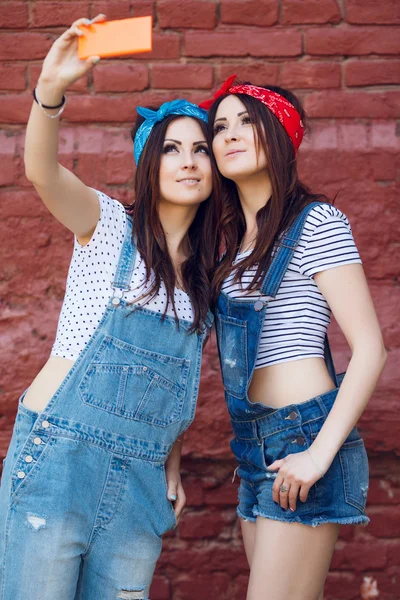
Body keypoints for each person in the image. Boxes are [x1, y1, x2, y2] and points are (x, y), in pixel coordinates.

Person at [0, 16, 220, 600]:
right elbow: (41, 173)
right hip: (59, 464)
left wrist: (170, 460)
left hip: (141, 484)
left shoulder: (204, 282)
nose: (189, 159)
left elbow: (175, 382)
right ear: (150, 163)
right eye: (172, 148)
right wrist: (51, 91)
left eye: (202, 149)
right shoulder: (107, 226)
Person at [201, 76, 387, 600]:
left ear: (278, 134)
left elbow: (371, 349)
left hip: (302, 441)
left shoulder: (316, 222)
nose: (228, 135)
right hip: (254, 448)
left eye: (245, 122)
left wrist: (319, 455)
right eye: (219, 127)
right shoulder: (237, 245)